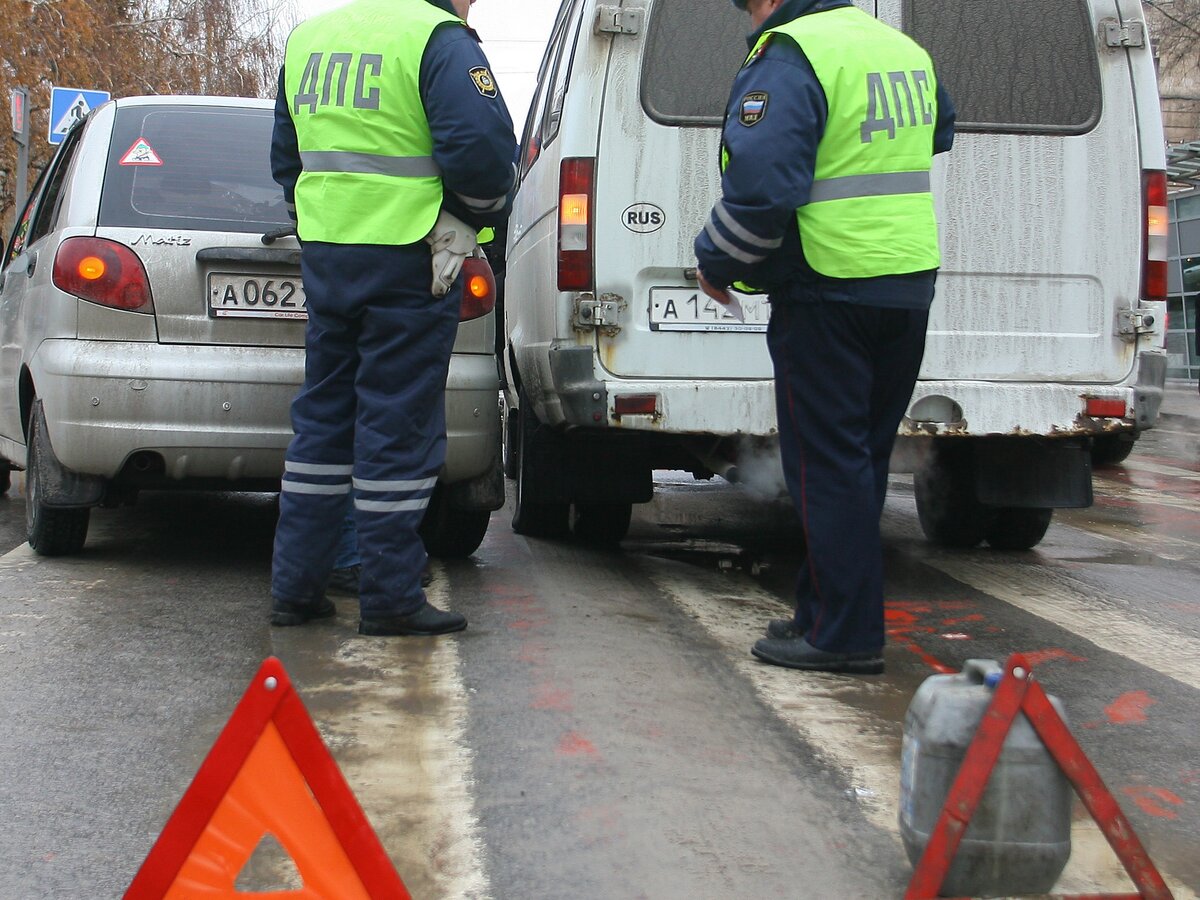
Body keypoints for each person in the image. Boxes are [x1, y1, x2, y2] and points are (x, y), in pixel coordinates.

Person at [695, 0, 955, 673]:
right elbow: (939, 128)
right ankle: (822, 613)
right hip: (905, 282)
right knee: (856, 463)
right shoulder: (897, 48)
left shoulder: (791, 53)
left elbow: (762, 186)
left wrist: (717, 262)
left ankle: (844, 634)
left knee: (824, 466)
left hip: (829, 285)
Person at [269, 0, 516, 636]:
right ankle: (390, 596)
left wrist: (326, 229)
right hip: (410, 258)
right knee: (397, 425)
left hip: (330, 259)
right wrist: (466, 219)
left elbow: (286, 161)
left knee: (322, 421)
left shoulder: (309, 39)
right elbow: (485, 155)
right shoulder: (435, 38)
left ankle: (295, 588)